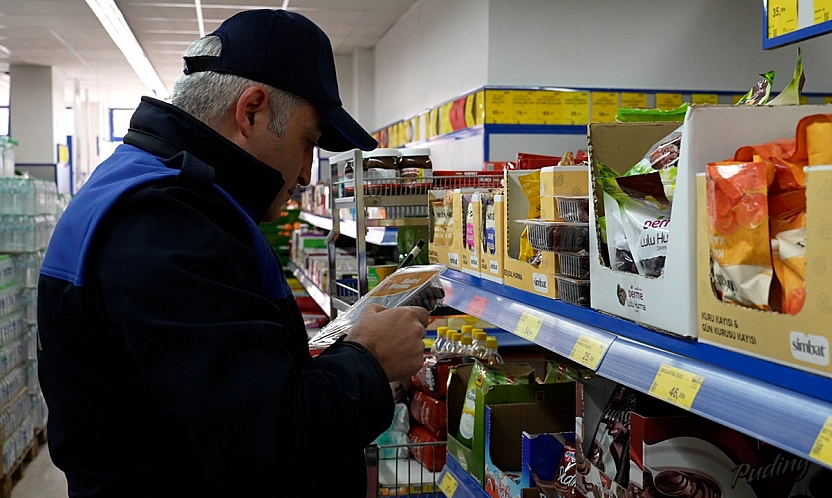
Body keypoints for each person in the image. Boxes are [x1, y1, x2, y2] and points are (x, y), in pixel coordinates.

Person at [37, 9, 429, 497]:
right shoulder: (166, 221)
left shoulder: (143, 186)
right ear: (251, 112)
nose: (306, 174)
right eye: (308, 142)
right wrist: (369, 359)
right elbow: (266, 440)